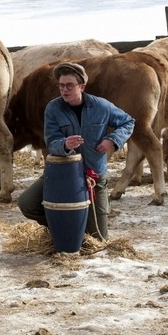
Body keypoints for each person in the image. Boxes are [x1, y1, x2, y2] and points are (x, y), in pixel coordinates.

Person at [18, 62, 135, 242]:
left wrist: (112, 140)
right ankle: (64, 228)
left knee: (97, 240)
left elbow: (128, 122)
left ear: (82, 86)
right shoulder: (53, 109)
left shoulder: (101, 106)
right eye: (61, 86)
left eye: (70, 86)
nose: (64, 90)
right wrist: (64, 144)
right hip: (63, 173)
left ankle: (79, 228)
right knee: (27, 203)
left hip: (93, 177)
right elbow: (51, 141)